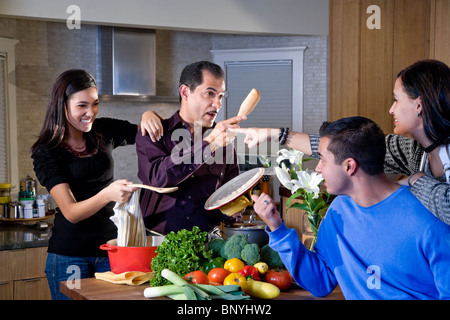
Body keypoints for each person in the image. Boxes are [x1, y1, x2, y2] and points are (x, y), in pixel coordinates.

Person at [253, 116, 450, 300]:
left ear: (349, 166)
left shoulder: (429, 218)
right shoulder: (339, 211)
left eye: (322, 159)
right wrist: (276, 226)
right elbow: (321, 281)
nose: (318, 168)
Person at [233, 59, 450, 225]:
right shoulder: (415, 153)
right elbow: (345, 147)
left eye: (396, 99)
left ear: (419, 105)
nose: (391, 109)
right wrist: (275, 134)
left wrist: (417, 181)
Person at [31, 69, 161, 300]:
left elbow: (148, 134)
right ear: (62, 105)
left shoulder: (104, 130)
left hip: (111, 250)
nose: (90, 112)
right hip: (69, 255)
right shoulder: (47, 152)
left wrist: (149, 114)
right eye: (82, 105)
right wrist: (108, 194)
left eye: (95, 103)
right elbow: (70, 211)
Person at [136, 61, 246, 235]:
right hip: (156, 243)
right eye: (210, 93)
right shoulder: (154, 132)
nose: (217, 104)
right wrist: (209, 145)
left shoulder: (225, 144)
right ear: (185, 92)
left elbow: (229, 199)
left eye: (221, 96)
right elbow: (158, 178)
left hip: (206, 245)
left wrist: (235, 210)